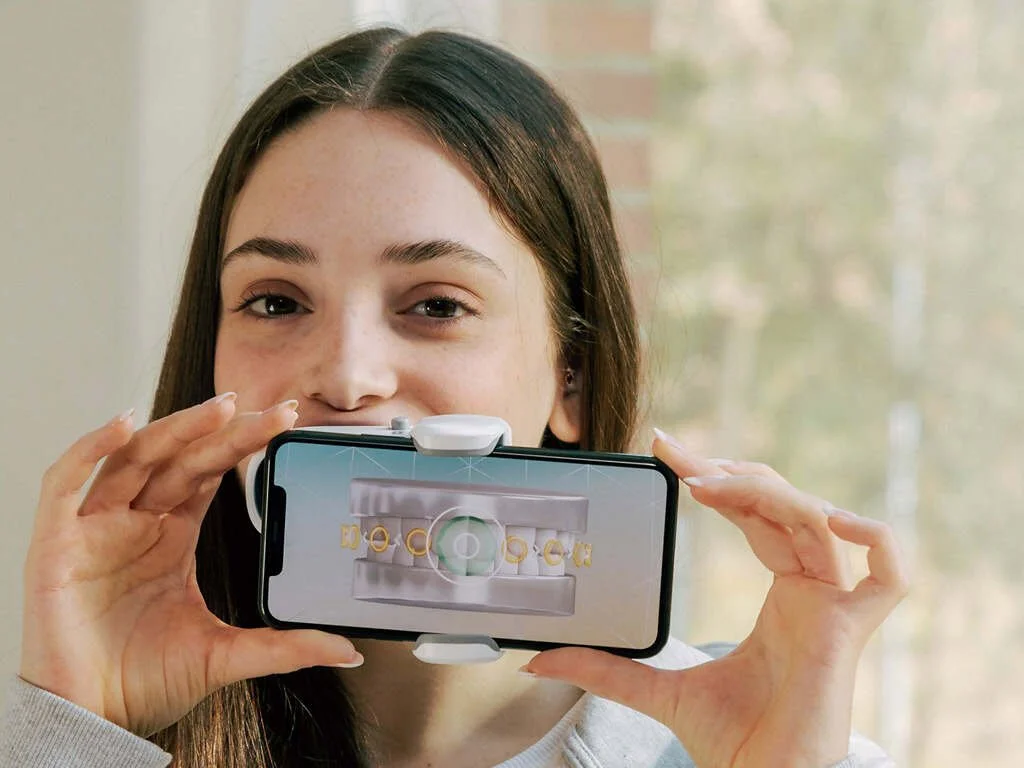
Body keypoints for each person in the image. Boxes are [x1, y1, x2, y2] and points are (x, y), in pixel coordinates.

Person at [2, 26, 908, 768]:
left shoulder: (772, 747)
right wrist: (84, 735)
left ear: (572, 382)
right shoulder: (82, 738)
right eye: (275, 301)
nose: (348, 375)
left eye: (436, 305)